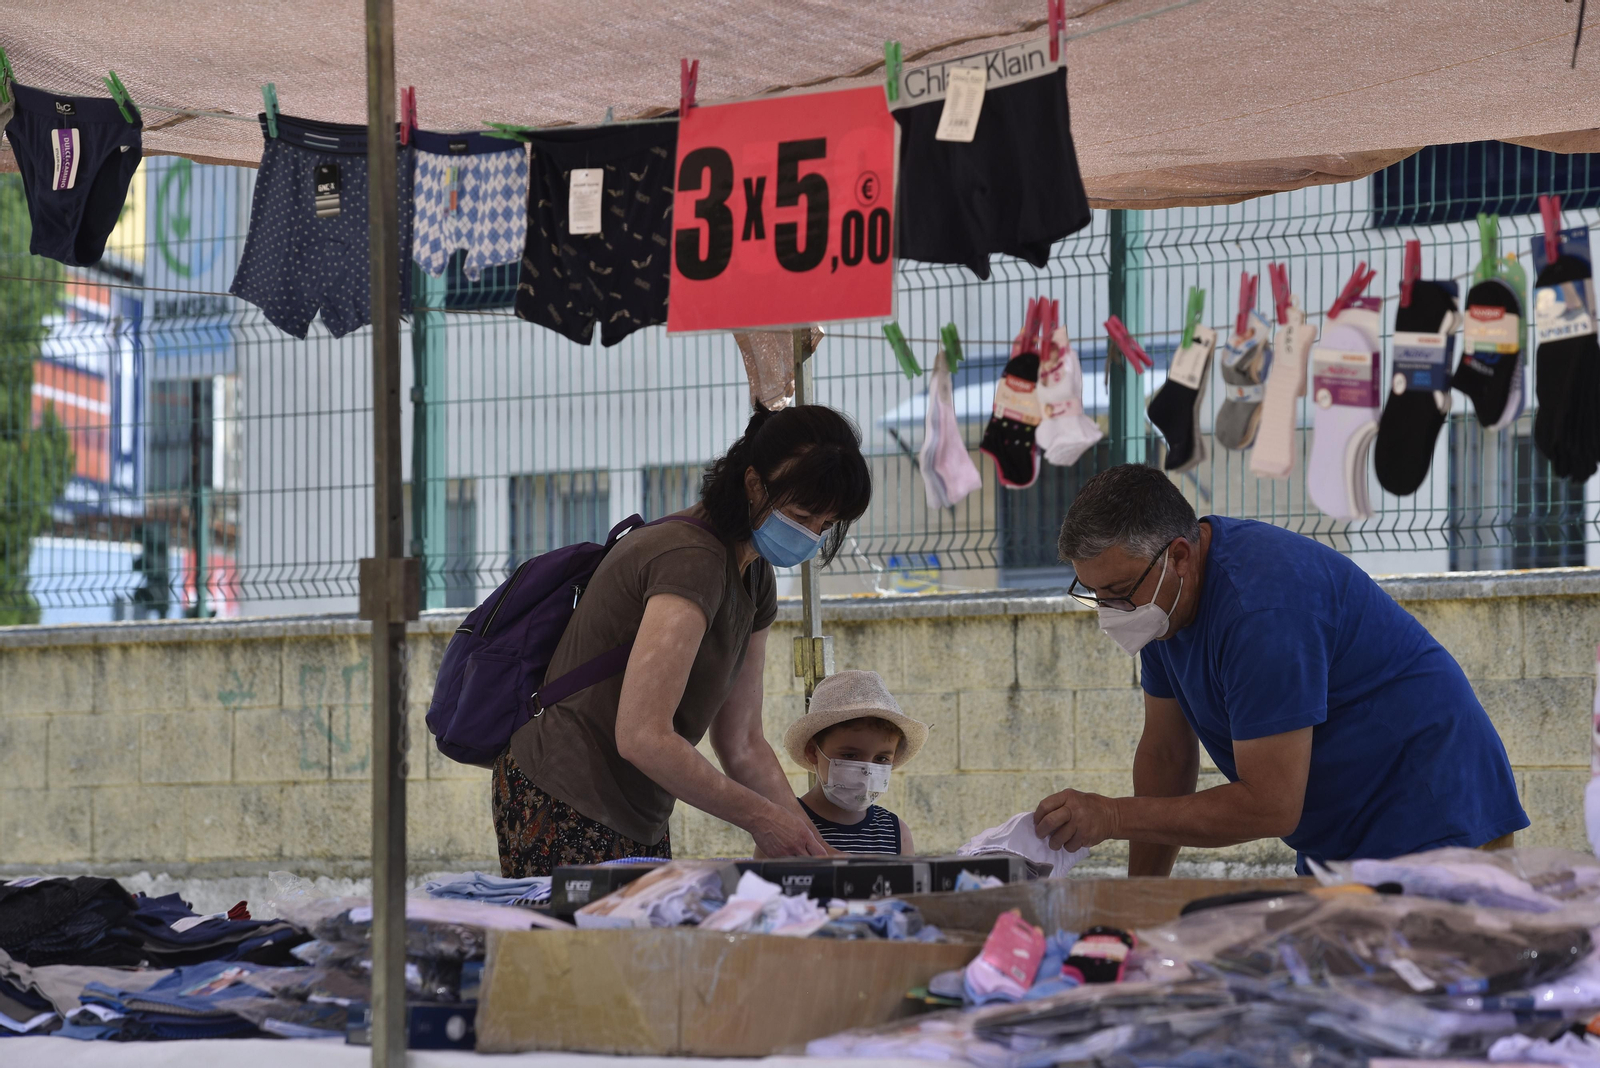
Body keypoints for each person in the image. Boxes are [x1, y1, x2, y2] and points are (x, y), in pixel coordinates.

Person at [1032, 464, 1528, 875]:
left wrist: (1114, 815)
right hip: (1338, 832)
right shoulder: (1162, 607)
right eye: (1094, 594)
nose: (1109, 610)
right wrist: (1138, 900)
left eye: (1118, 592)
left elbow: (1269, 803)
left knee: (1418, 986)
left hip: (1434, 812)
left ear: (1178, 557)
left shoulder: (1261, 610)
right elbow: (1165, 754)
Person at [494, 404, 872, 877]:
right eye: (801, 515)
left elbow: (742, 742)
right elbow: (643, 736)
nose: (811, 536)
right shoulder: (689, 560)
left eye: (825, 526)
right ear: (754, 484)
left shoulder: (756, 577)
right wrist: (762, 819)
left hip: (640, 809)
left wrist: (809, 846)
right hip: (565, 794)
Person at [783, 670, 927, 854]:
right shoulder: (784, 829)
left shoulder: (897, 833)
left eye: (881, 758)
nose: (866, 770)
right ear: (813, 752)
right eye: (850, 756)